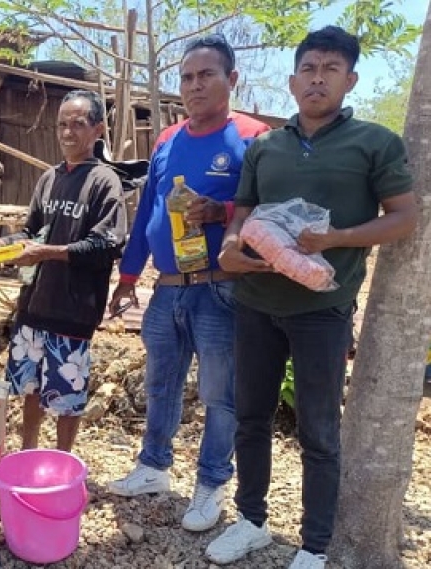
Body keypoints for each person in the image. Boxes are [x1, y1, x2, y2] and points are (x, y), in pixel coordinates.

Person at [206, 26, 416, 569]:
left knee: (319, 431)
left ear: (350, 80)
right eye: (308, 68)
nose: (317, 78)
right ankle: (251, 520)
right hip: (254, 299)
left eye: (329, 69)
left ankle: (314, 547)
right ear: (292, 79)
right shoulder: (266, 146)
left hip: (322, 310)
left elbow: (404, 218)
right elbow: (244, 213)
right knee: (250, 418)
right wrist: (230, 248)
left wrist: (337, 239)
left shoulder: (374, 142)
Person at [106, 35, 270, 532]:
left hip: (221, 288)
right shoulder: (167, 140)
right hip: (168, 286)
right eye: (187, 77)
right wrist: (129, 275)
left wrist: (219, 211)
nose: (195, 86)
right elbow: (148, 214)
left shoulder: (253, 137)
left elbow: (267, 212)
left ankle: (211, 484)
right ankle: (154, 467)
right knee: (161, 383)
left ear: (231, 80)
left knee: (221, 395)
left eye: (207, 75)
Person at [0, 90, 127, 453]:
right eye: (62, 125)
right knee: (31, 388)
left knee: (68, 397)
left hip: (73, 310)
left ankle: (63, 462)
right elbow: (32, 229)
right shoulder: (49, 179)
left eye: (78, 124)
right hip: (34, 304)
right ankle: (29, 453)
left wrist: (46, 252)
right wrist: (7, 246)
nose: (68, 132)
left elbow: (107, 245)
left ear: (98, 129)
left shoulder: (104, 182)